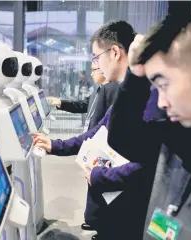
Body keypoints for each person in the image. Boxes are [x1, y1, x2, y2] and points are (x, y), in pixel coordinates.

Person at [108, 12, 191, 240]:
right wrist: (136, 75)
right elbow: (122, 137)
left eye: (164, 85)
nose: (161, 102)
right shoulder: (183, 132)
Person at [33, 20, 164, 240]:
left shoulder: (150, 99)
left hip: (133, 211)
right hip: (115, 208)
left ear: (114, 52)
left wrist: (101, 175)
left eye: (96, 57)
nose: (95, 64)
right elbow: (96, 132)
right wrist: (55, 145)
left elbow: (147, 166)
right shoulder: (125, 96)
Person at [47, 62, 119, 131]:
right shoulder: (99, 90)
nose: (91, 74)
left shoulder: (114, 93)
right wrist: (60, 102)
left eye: (94, 70)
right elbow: (82, 105)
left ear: (104, 69)